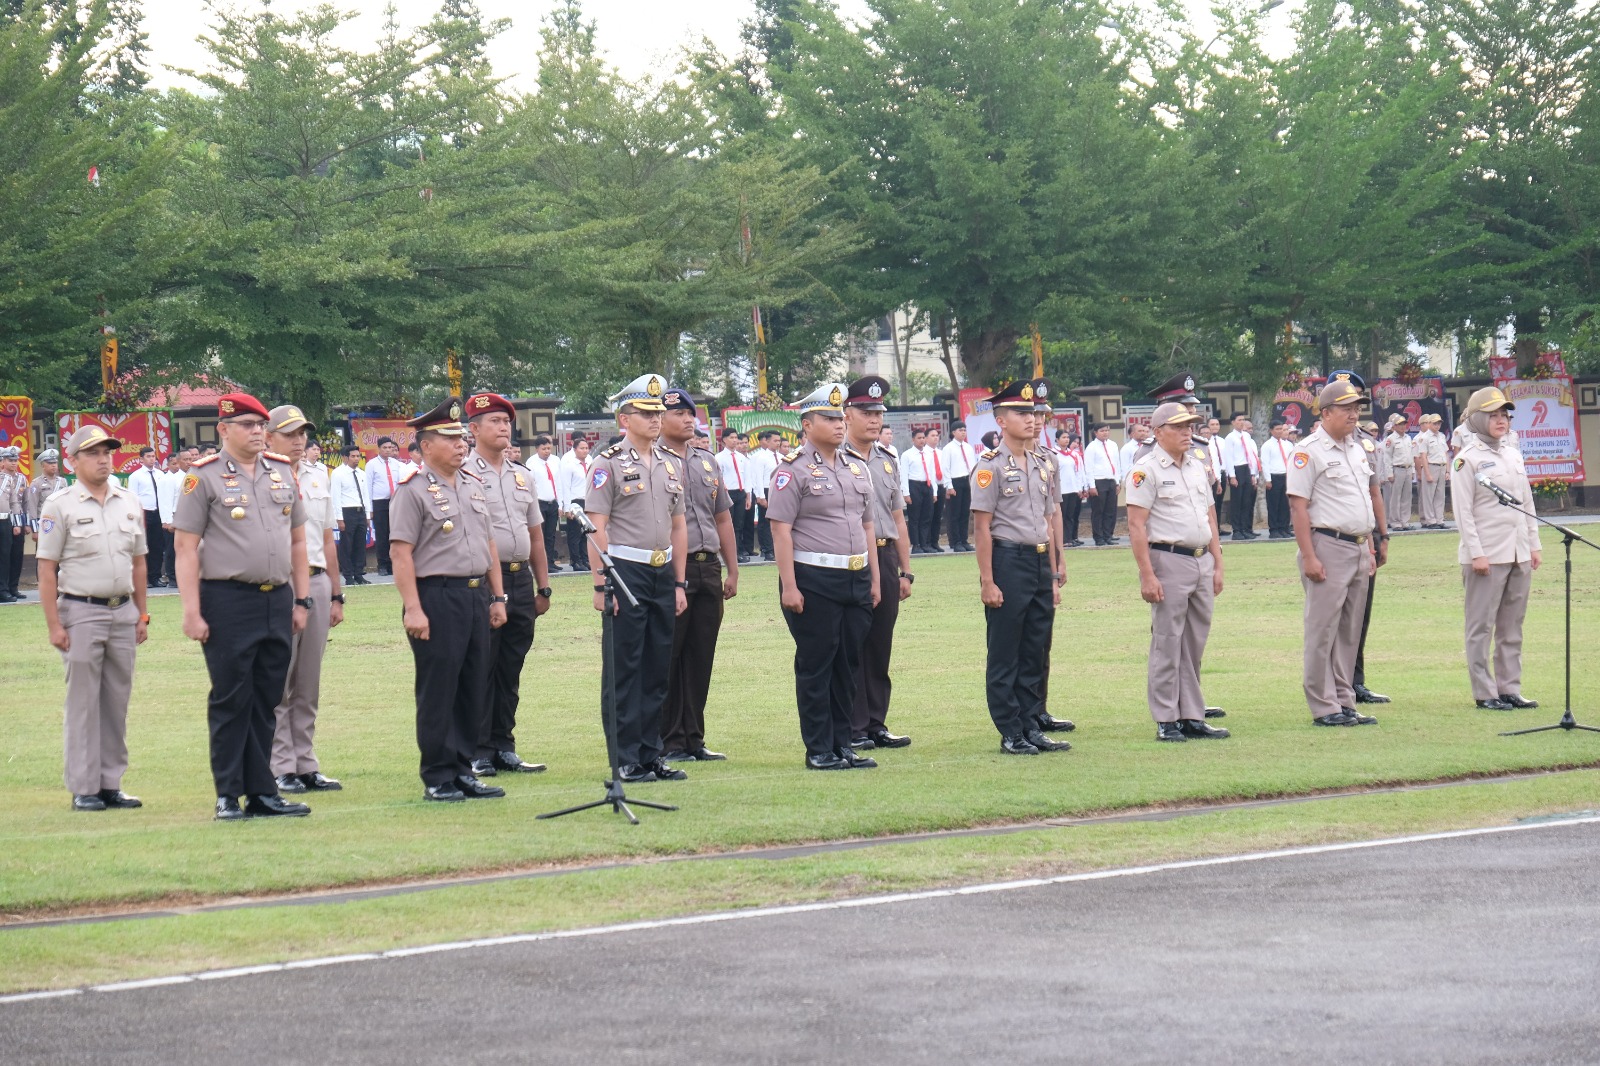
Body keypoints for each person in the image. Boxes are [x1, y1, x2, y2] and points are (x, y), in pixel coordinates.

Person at [173, 392, 313, 821]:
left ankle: (262, 792)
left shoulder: (281, 473)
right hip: (227, 600)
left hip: (277, 599)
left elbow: (298, 540)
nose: (256, 432)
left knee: (267, 699)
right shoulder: (204, 477)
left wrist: (302, 599)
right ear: (224, 429)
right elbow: (185, 546)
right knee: (232, 698)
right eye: (247, 425)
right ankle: (228, 794)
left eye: (259, 425)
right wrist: (192, 611)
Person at [390, 397, 509, 802]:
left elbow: (489, 543)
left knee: (472, 686)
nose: (461, 444)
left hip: (476, 595)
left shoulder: (474, 486)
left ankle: (463, 769)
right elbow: (400, 553)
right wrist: (413, 607)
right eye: (450, 438)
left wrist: (498, 596)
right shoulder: (412, 491)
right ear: (426, 446)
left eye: (462, 437)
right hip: (436, 597)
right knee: (439, 689)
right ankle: (438, 775)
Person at [584, 373, 691, 783]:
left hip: (662, 571)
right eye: (645, 412)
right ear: (623, 419)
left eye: (658, 411)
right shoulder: (607, 463)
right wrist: (601, 585)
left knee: (656, 666)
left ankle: (651, 753)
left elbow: (678, 526)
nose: (655, 418)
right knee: (624, 668)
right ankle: (625, 757)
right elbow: (597, 527)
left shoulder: (670, 463)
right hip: (624, 569)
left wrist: (679, 582)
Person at [36, 425, 149, 811]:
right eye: (93, 453)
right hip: (81, 610)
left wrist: (142, 614)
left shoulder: (128, 501)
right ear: (72, 461)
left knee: (116, 701)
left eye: (107, 452)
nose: (104, 459)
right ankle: (85, 787)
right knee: (83, 702)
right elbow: (47, 569)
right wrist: (54, 624)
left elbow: (138, 562)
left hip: (123, 610)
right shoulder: (60, 505)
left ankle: (110, 784)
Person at [769, 382, 881, 770]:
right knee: (817, 664)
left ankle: (842, 742)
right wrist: (789, 586)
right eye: (829, 418)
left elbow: (868, 526)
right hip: (813, 577)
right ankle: (819, 748)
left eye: (840, 417)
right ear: (806, 423)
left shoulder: (856, 466)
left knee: (848, 665)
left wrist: (875, 579)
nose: (838, 424)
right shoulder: (791, 470)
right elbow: (780, 529)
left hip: (855, 576)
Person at [971, 379, 1070, 755]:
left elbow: (1050, 517)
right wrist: (987, 581)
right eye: (1020, 413)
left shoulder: (1043, 462)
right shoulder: (990, 467)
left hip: (1040, 559)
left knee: (1034, 648)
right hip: (1008, 559)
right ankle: (1010, 729)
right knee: (1005, 650)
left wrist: (1056, 567)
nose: (1030, 419)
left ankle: (1031, 723)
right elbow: (981, 528)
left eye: (1033, 413)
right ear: (1000, 420)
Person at [1287, 375, 1388, 728]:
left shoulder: (1357, 449)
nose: (1354, 414)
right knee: (1322, 628)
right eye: (1346, 408)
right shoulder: (1308, 451)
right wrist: (1310, 556)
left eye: (1357, 408)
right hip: (1327, 545)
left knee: (1349, 630)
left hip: (1359, 546)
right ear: (1326, 412)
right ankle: (1323, 704)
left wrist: (1372, 547)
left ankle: (1345, 700)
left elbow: (1365, 498)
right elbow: (1299, 509)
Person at [1125, 402, 1229, 742]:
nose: (1188, 432)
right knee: (1168, 642)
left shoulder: (1197, 465)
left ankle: (1191, 715)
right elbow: (1136, 526)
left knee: (1194, 642)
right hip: (1168, 559)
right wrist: (1147, 574)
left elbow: (1210, 516)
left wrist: (1217, 562)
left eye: (1190, 426)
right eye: (1179, 427)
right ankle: (1166, 718)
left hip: (1201, 559)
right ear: (1157, 433)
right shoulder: (1146, 469)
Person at [465, 392, 552, 777]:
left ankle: (504, 745)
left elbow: (535, 535)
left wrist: (543, 586)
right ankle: (478, 749)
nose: (503, 428)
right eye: (494, 422)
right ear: (473, 429)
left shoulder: (522, 475)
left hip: (521, 580)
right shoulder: (464, 473)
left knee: (511, 668)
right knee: (482, 666)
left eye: (506, 422)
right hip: (484, 580)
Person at [266, 405, 346, 795]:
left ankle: (306, 762)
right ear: (268, 437)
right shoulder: (262, 476)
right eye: (289, 433)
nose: (299, 441)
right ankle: (280, 764)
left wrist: (337, 591)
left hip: (316, 582)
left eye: (302, 434)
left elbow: (327, 537)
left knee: (308, 680)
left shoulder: (318, 476)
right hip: (279, 584)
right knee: (280, 678)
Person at [659, 387, 738, 762]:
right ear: (660, 419)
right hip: (674, 567)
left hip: (708, 566)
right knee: (670, 655)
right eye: (680, 414)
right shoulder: (652, 460)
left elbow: (722, 517)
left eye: (692, 414)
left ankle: (694, 737)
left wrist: (733, 569)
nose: (689, 420)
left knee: (700, 656)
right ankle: (670, 740)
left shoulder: (708, 461)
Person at [1451, 386, 1542, 710]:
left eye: (1505, 414)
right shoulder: (1466, 461)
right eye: (1493, 415)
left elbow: (1526, 502)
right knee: (1481, 626)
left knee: (1511, 626)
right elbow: (1463, 512)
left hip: (1517, 552)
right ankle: (1485, 692)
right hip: (1487, 555)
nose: (1501, 420)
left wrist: (1534, 544)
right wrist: (1477, 553)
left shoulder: (1513, 453)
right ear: (1476, 419)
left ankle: (1509, 688)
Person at [844, 375, 914, 751]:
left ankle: (875, 723)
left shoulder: (888, 460)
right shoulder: (837, 456)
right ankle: (853, 725)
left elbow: (897, 517)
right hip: (853, 557)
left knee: (880, 645)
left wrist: (905, 570)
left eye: (878, 412)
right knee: (853, 642)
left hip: (886, 555)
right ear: (847, 413)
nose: (874, 419)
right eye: (865, 411)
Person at [1352, 417, 1391, 705]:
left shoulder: (1365, 443)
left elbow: (1374, 491)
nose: (1351, 410)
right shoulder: (1314, 447)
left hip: (1368, 534)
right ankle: (1334, 684)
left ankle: (1356, 682)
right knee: (1335, 619)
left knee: (1362, 615)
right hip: (1337, 536)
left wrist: (1383, 535)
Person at [331, 445, 371, 584]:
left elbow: (366, 495)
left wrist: (367, 515)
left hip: (360, 511)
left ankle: (359, 574)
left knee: (360, 544)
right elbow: (335, 497)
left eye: (358, 456)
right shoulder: (338, 473)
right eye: (353, 456)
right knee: (347, 544)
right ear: (345, 457)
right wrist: (339, 519)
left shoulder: (361, 473)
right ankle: (348, 575)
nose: (356, 459)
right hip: (347, 511)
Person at [366, 437, 406, 576]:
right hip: (379, 503)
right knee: (382, 534)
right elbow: (368, 487)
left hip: (395, 501)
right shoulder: (372, 464)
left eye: (390, 447)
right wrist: (369, 508)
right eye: (385, 448)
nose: (388, 450)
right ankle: (382, 565)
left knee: (394, 534)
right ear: (379, 449)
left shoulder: (397, 464)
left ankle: (393, 564)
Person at [716, 429, 755, 562]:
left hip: (741, 492)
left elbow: (747, 477)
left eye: (735, 437)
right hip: (727, 493)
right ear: (724, 440)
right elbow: (719, 477)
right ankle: (728, 554)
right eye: (731, 437)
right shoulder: (719, 458)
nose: (734, 440)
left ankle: (737, 552)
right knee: (728, 524)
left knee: (739, 524)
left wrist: (748, 496)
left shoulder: (741, 457)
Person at [1223, 415, 1261, 540]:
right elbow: (1228, 458)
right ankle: (1237, 530)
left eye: (1243, 420)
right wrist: (1232, 476)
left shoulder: (1246, 436)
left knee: (1246, 500)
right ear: (1233, 422)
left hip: (1247, 468)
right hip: (1237, 468)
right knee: (1237, 501)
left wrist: (1253, 474)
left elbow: (1250, 456)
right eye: (1239, 420)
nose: (1241, 422)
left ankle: (1245, 528)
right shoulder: (1230, 438)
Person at [528, 435, 564, 569]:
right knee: (540, 536)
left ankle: (550, 561)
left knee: (551, 535)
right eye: (544, 449)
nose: (547, 451)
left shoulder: (556, 461)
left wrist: (560, 504)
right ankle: (540, 564)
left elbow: (559, 483)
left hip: (553, 503)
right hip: (539, 503)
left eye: (549, 448)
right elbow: (531, 487)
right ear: (537, 449)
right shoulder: (531, 463)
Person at [942, 422, 978, 552]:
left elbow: (973, 466)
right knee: (954, 513)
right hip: (955, 481)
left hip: (967, 481)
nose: (963, 432)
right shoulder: (948, 448)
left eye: (964, 430)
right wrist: (949, 486)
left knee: (964, 513)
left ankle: (964, 540)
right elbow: (945, 468)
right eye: (960, 430)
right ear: (953, 432)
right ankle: (955, 541)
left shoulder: (968, 447)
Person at [1084, 422, 1121, 546]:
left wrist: (1117, 481)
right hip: (1099, 481)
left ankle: (1108, 535)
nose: (1105, 433)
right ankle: (1098, 537)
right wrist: (1092, 486)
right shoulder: (1091, 447)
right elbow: (1088, 468)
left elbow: (1116, 463)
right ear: (1095, 433)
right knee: (1098, 511)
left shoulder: (1113, 445)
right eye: (1102, 431)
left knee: (1110, 510)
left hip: (1111, 480)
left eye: (1107, 430)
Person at [559, 437, 593, 570]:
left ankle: (585, 559)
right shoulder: (569, 465)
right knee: (575, 533)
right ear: (574, 449)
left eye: (586, 448)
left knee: (586, 533)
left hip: (588, 500)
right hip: (575, 501)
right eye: (582, 448)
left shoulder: (591, 461)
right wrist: (566, 507)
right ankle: (575, 561)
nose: (585, 451)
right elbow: (565, 487)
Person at [902, 428, 936, 553]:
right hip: (914, 485)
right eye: (919, 438)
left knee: (926, 516)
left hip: (927, 485)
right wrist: (906, 493)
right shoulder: (907, 455)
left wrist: (934, 491)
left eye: (923, 438)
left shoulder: (928, 454)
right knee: (914, 517)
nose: (922, 440)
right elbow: (904, 475)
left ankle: (925, 543)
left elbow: (931, 473)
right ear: (913, 439)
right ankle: (916, 545)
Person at [27, 448, 69, 547]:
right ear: (42, 465)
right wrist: (35, 530)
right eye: (50, 463)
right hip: (44, 524)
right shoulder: (36, 483)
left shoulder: (62, 482)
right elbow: (32, 507)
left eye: (55, 462)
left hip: (61, 522)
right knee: (44, 554)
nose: (53, 465)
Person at [1259, 419, 1294, 539]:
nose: (1280, 431)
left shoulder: (1287, 444)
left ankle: (1284, 527)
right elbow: (1265, 463)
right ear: (1271, 430)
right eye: (1277, 429)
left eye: (1282, 429)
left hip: (1286, 475)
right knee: (1274, 504)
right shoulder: (1267, 445)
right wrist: (1268, 479)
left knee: (1285, 504)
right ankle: (1274, 529)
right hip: (1274, 476)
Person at [748, 430, 779, 561]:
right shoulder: (761, 457)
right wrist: (760, 496)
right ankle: (767, 550)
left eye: (779, 441)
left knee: (778, 521)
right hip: (766, 490)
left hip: (779, 490)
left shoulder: (781, 457)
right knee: (765, 521)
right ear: (767, 441)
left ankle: (776, 548)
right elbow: (758, 478)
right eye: (775, 441)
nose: (777, 443)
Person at [0, 446, 26, 601]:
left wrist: (17, 524)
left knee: (5, 556)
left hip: (5, 520)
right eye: (10, 460)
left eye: (15, 460)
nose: (13, 463)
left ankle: (4, 589)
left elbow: (15, 503)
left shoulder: (9, 479)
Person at [1415, 413, 1449, 528]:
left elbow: (1445, 453)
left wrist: (1447, 471)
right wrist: (1427, 473)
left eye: (1439, 423)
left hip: (1441, 466)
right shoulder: (1424, 438)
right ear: (1429, 424)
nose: (1437, 426)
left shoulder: (1442, 436)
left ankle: (1439, 520)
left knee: (1440, 495)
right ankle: (1430, 521)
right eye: (1435, 423)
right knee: (1428, 495)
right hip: (1431, 466)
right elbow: (1423, 456)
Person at [1384, 414, 1415, 531]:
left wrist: (1412, 471)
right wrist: (1389, 473)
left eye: (1404, 424)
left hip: (1407, 468)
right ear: (1394, 426)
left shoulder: (1408, 438)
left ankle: (1405, 521)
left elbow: (1410, 455)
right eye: (1400, 424)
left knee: (1407, 496)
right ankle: (1395, 522)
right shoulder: (1391, 439)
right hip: (1397, 469)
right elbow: (1387, 458)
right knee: (1395, 497)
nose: (1403, 427)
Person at [924, 425, 952, 551]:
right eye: (932, 435)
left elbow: (946, 470)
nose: (936, 438)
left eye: (937, 435)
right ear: (925, 438)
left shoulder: (941, 453)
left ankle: (935, 542)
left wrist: (947, 487)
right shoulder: (923, 453)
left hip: (941, 487)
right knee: (928, 516)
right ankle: (926, 542)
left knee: (938, 516)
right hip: (929, 487)